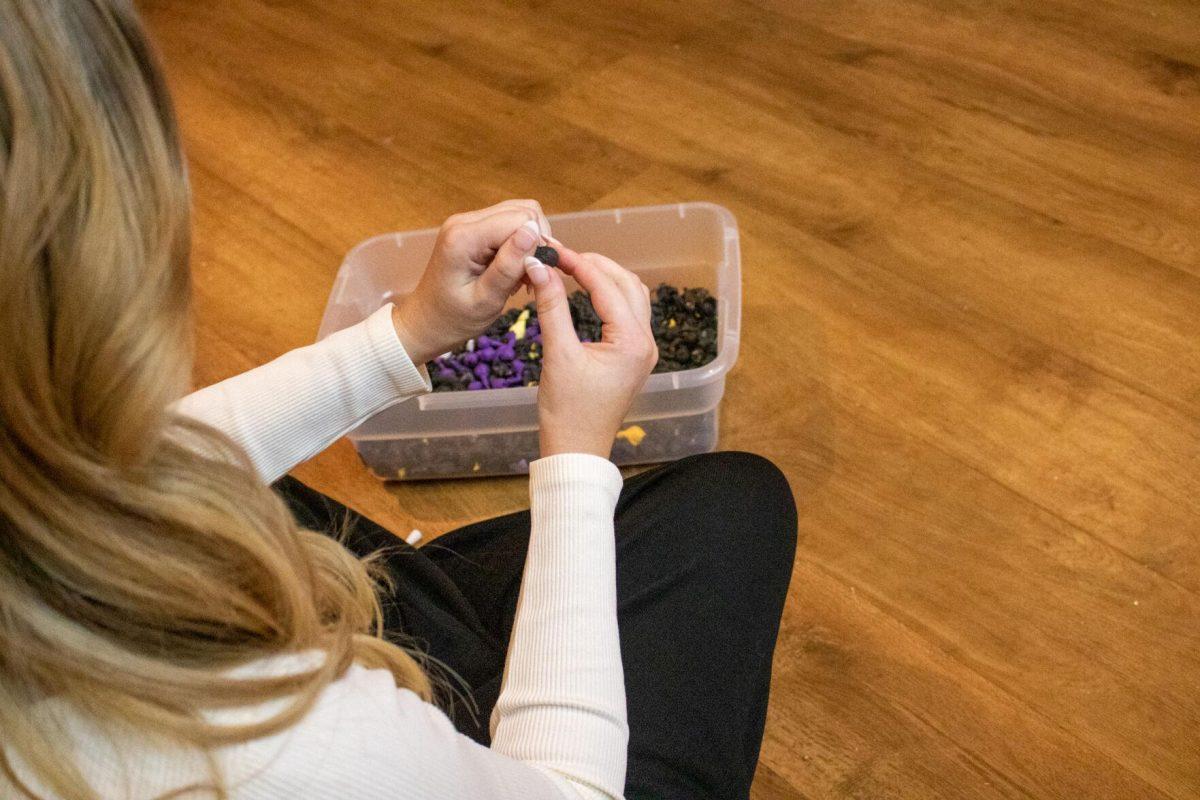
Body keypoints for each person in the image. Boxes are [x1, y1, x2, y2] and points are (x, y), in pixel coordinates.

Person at [0, 1, 797, 799]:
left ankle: (500, 660)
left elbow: (146, 459)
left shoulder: (41, 504)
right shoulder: (265, 731)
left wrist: (406, 334)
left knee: (242, 487)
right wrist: (576, 458)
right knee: (734, 508)